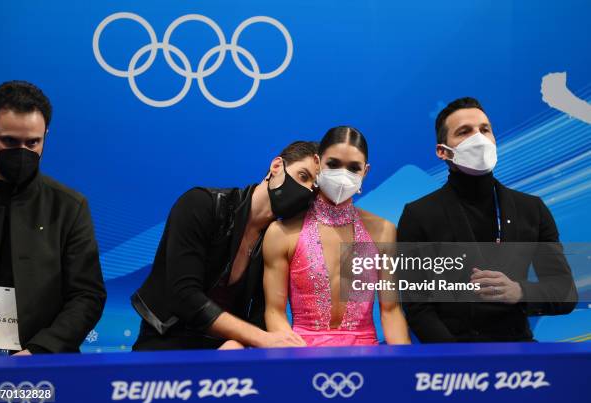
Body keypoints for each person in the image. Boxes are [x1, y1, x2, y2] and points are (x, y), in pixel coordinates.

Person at [397, 97, 578, 343]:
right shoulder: (419, 215)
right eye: (464, 132)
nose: (478, 138)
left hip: (519, 352)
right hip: (453, 357)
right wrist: (457, 358)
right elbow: (416, 305)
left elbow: (565, 292)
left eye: (485, 130)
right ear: (442, 151)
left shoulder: (531, 209)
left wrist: (520, 291)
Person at [132, 141, 320, 350]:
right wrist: (259, 338)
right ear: (276, 166)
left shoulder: (277, 238)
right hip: (166, 340)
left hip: (226, 348)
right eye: (303, 176)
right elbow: (184, 295)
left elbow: (263, 313)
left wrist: (245, 343)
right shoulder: (201, 203)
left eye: (314, 187)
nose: (305, 190)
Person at [0, 80, 106, 355]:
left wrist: (41, 350)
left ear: (45, 136)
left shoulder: (69, 206)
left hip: (40, 361)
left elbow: (87, 296)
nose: (23, 151)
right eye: (10, 141)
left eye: (33, 142)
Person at [263, 126, 410, 347]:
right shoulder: (281, 233)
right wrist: (298, 360)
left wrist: (404, 365)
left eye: (353, 168)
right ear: (318, 163)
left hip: (367, 358)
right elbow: (275, 313)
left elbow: (391, 310)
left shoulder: (383, 230)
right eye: (333, 164)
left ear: (365, 172)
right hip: (301, 354)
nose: (343, 174)